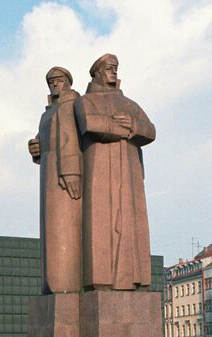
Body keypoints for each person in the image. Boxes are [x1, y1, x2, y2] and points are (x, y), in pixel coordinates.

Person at [74, 53, 156, 290]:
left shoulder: (130, 104)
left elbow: (150, 131)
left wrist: (133, 125)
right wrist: (121, 129)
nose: (114, 71)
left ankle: (133, 279)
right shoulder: (86, 101)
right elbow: (90, 124)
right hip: (98, 170)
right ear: (97, 73)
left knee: (130, 222)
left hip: (129, 173)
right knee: (101, 222)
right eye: (109, 68)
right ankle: (101, 279)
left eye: (116, 68)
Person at [28, 66, 82, 294]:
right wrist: (36, 148)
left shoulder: (74, 105)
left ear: (68, 81)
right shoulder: (47, 112)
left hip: (65, 172)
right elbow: (45, 140)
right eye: (51, 81)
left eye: (59, 80)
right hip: (48, 171)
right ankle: (53, 283)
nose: (54, 84)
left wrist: (71, 171)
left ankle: (65, 283)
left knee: (64, 225)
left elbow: (72, 138)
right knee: (50, 229)